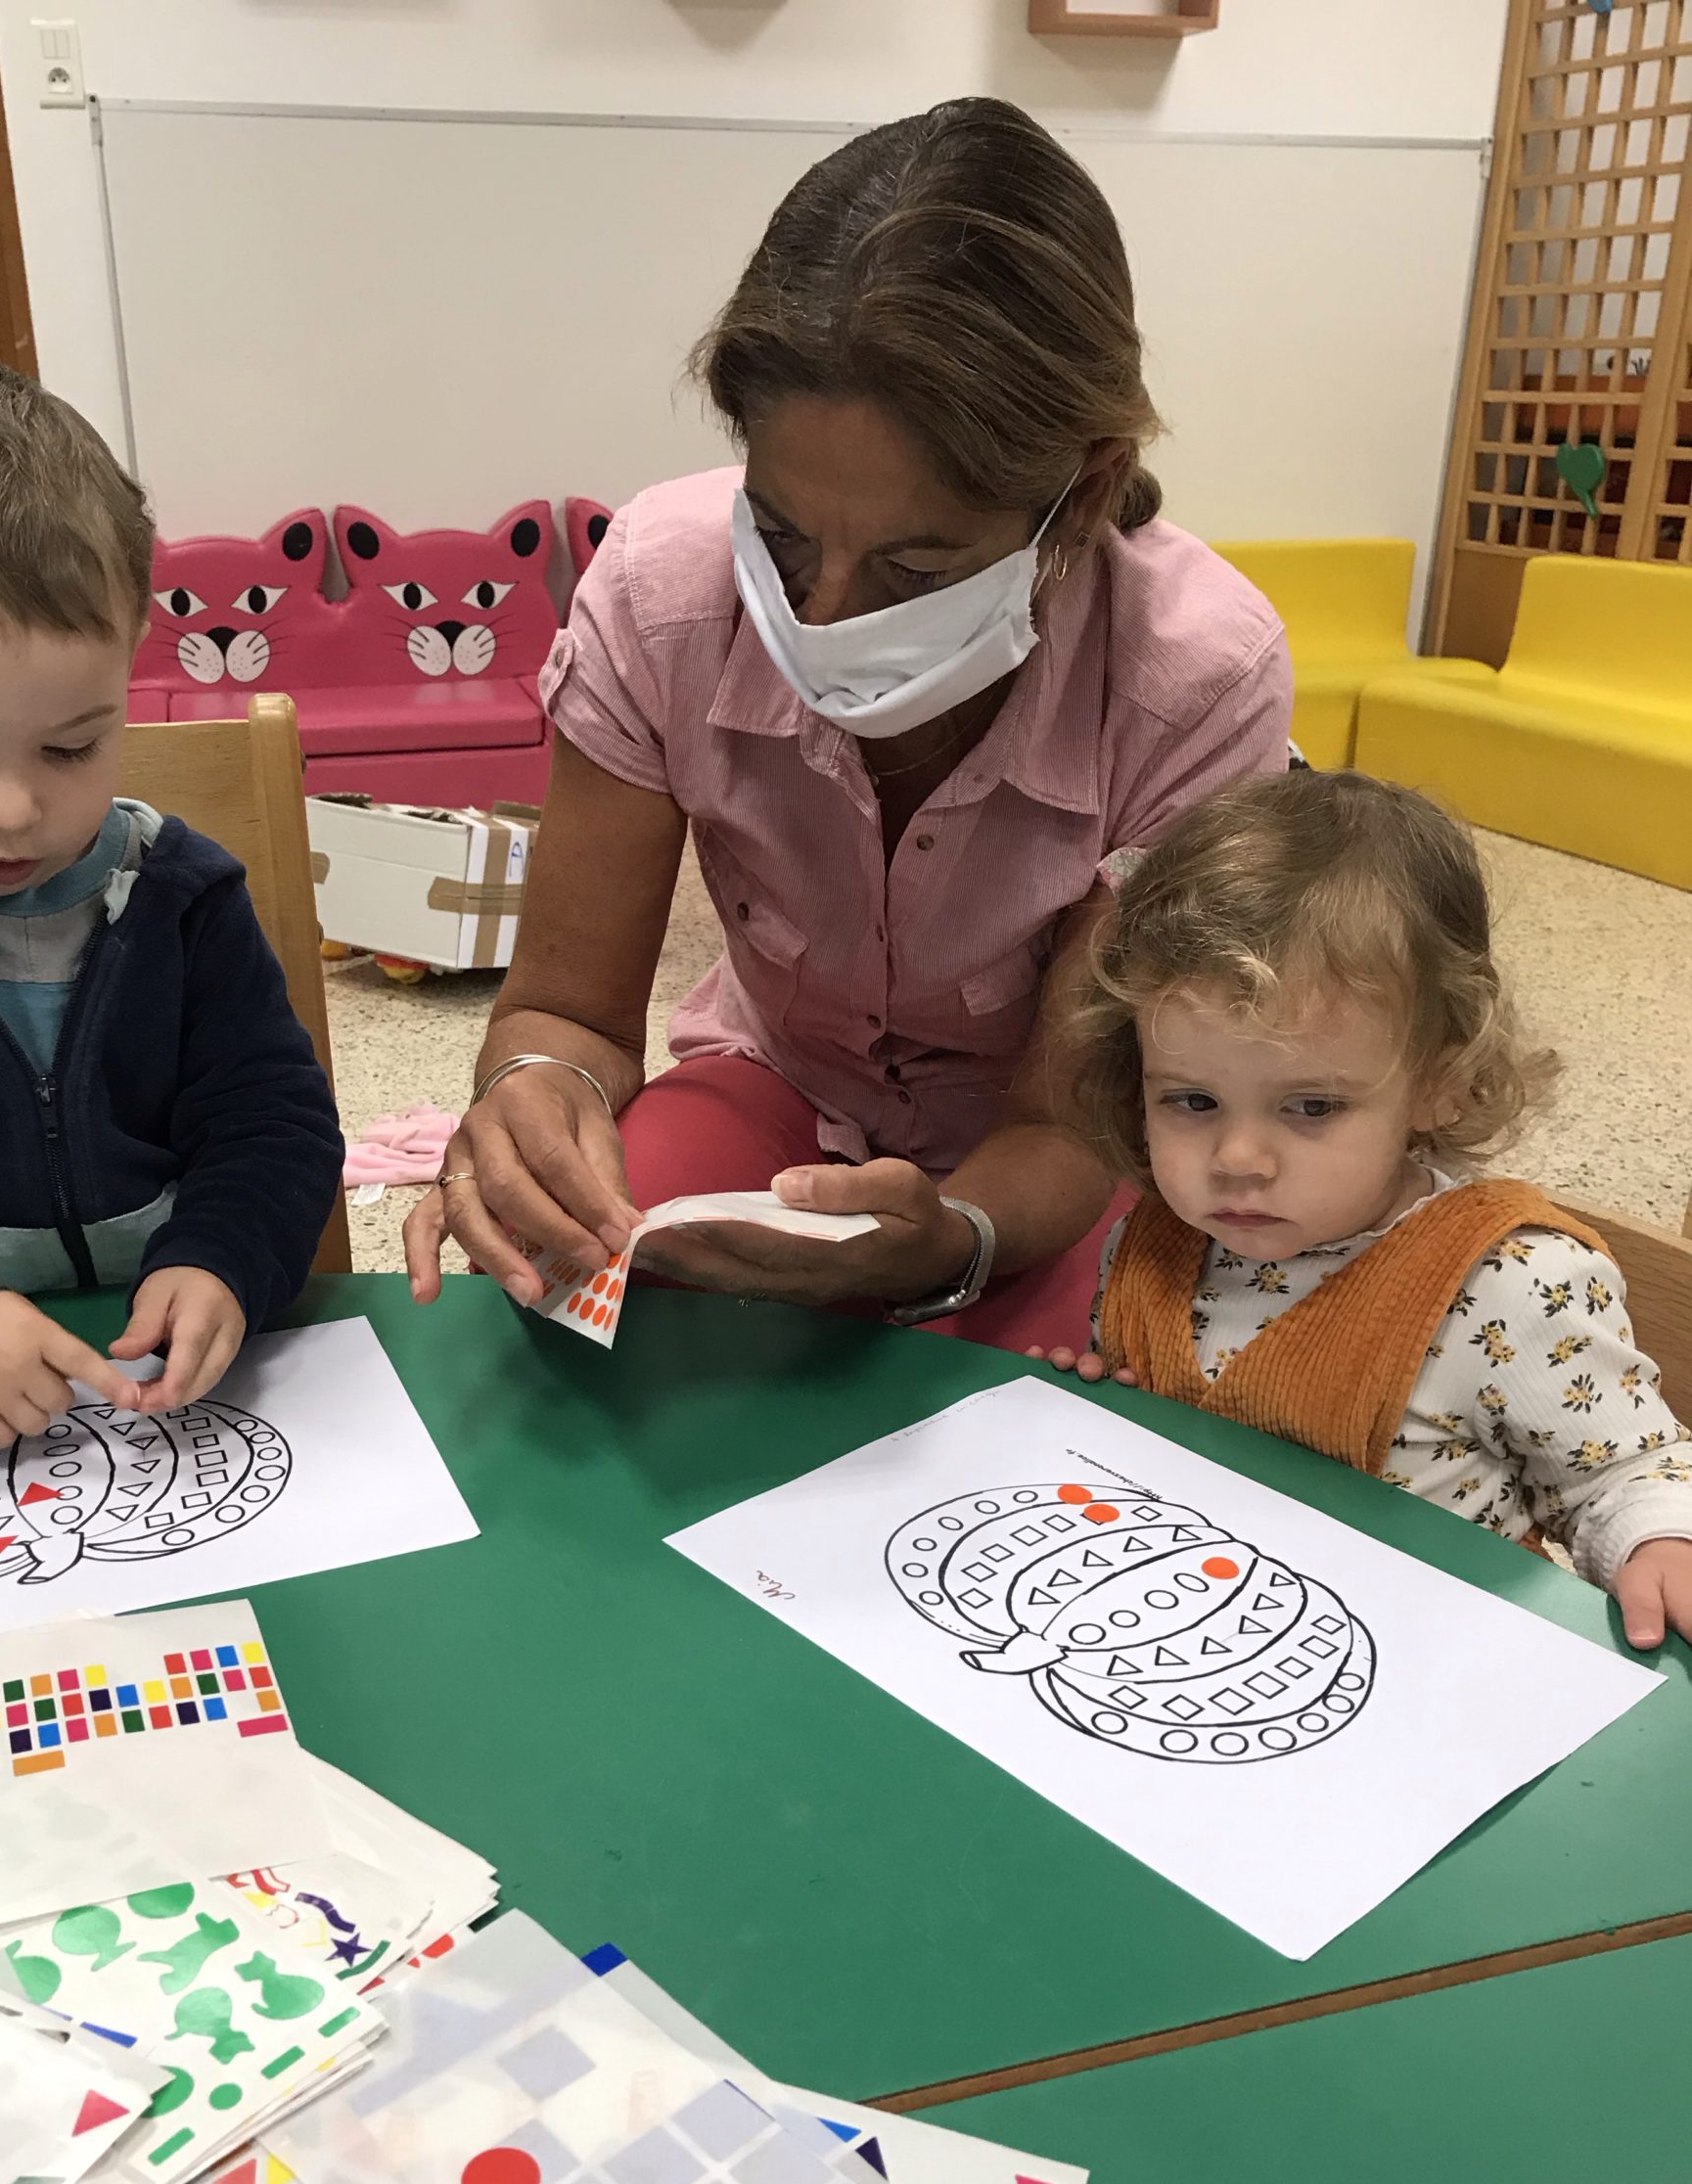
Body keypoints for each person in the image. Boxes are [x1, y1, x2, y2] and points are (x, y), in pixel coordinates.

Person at [406, 99, 1293, 1347]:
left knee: (1084, 1381)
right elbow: (571, 1013)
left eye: (917, 571)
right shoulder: (662, 592)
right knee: (573, 1301)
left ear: (1084, 492)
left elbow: (1066, 1118)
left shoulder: (1194, 676)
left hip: (1060, 1147)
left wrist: (956, 1242)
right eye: (778, 537)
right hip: (779, 1077)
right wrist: (530, 1092)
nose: (819, 615)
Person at [0, 350, 344, 1445]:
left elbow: (273, 1123)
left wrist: (224, 1257)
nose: (11, 811)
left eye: (72, 745)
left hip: (152, 1398)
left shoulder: (180, 896)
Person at [1035, 768, 1692, 1651]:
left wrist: (1657, 1539)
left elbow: (1630, 1471)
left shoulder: (1513, 1286)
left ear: (1441, 1084)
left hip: (1431, 1669)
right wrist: (1103, 1413)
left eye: (1311, 1106)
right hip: (1197, 1640)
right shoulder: (1151, 1238)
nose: (1236, 1160)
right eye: (1192, 1100)